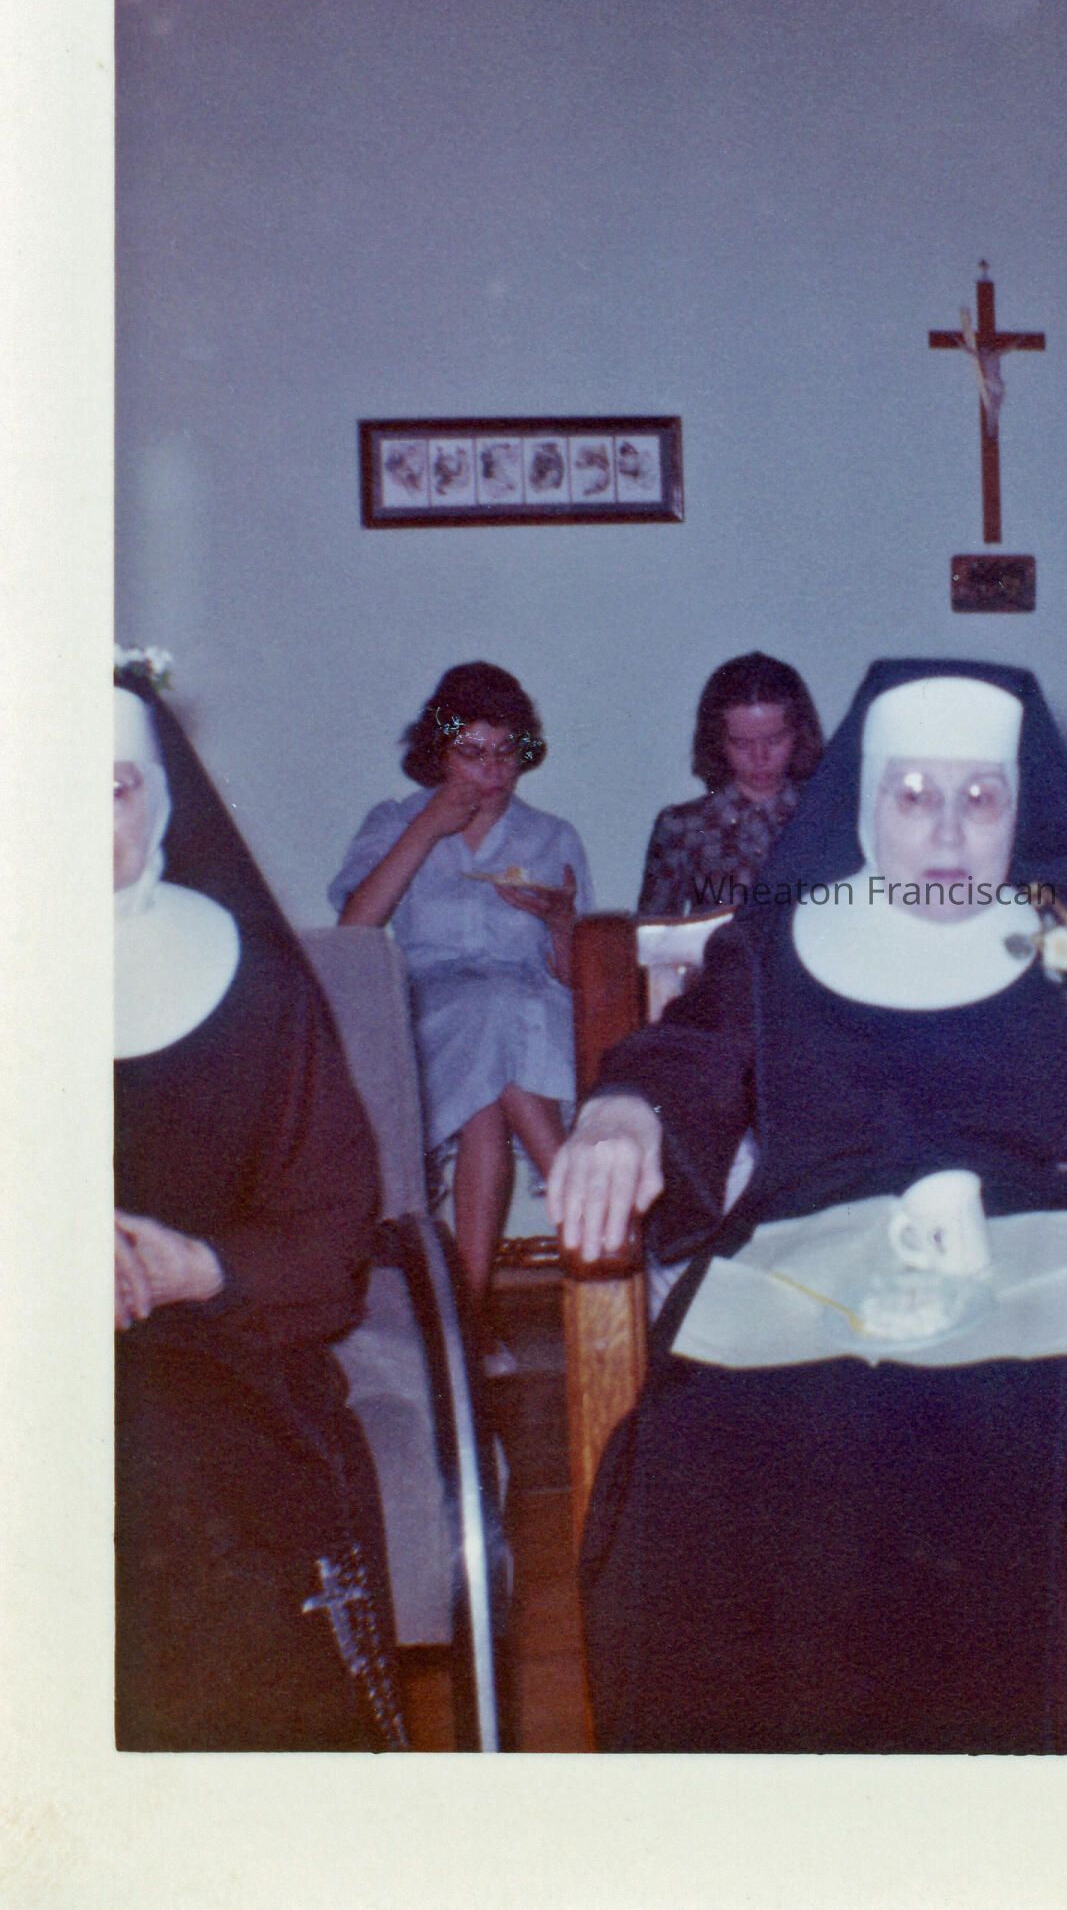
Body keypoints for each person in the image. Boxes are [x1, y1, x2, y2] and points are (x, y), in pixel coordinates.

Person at [550, 659, 1067, 1752]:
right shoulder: (783, 941)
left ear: (1019, 809)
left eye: (979, 797)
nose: (945, 831)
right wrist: (625, 1110)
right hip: (807, 1261)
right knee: (712, 1444)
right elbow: (689, 1051)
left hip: (1048, 1255)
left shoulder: (1066, 935)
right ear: (864, 802)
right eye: (913, 794)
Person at [115, 658, 404, 1748]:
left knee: (172, 1462)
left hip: (212, 1349)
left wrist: (201, 1267)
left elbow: (330, 1227)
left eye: (112, 789)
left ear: (159, 800)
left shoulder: (256, 984)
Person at [332, 662, 592, 1312]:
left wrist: (561, 921)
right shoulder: (396, 820)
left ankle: (468, 1320)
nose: (492, 770)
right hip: (434, 1007)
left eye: (505, 751)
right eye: (471, 753)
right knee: (486, 1022)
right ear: (438, 753)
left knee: (495, 1049)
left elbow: (576, 976)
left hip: (532, 1007)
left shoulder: (551, 835)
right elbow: (356, 930)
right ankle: (589, 1213)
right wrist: (428, 827)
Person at [637, 651, 826, 916]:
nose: (759, 757)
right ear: (718, 742)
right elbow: (655, 931)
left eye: (774, 741)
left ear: (799, 735)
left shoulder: (828, 817)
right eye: (741, 744)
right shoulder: (683, 827)